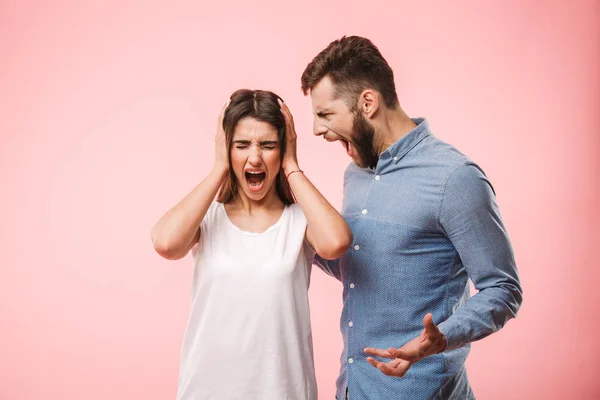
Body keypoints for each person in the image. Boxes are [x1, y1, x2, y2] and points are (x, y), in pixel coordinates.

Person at [300, 36, 523, 399]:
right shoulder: (355, 172)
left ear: (367, 103)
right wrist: (294, 229)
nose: (317, 129)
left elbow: (503, 288)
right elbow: (358, 268)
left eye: (325, 114)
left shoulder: (454, 177)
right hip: (353, 388)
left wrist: (441, 338)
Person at [151, 89, 353, 399]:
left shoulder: (298, 221)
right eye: (241, 145)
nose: (255, 157)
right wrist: (219, 167)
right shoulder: (209, 218)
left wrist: (291, 165)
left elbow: (337, 242)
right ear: (227, 148)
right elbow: (165, 243)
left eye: (268, 145)